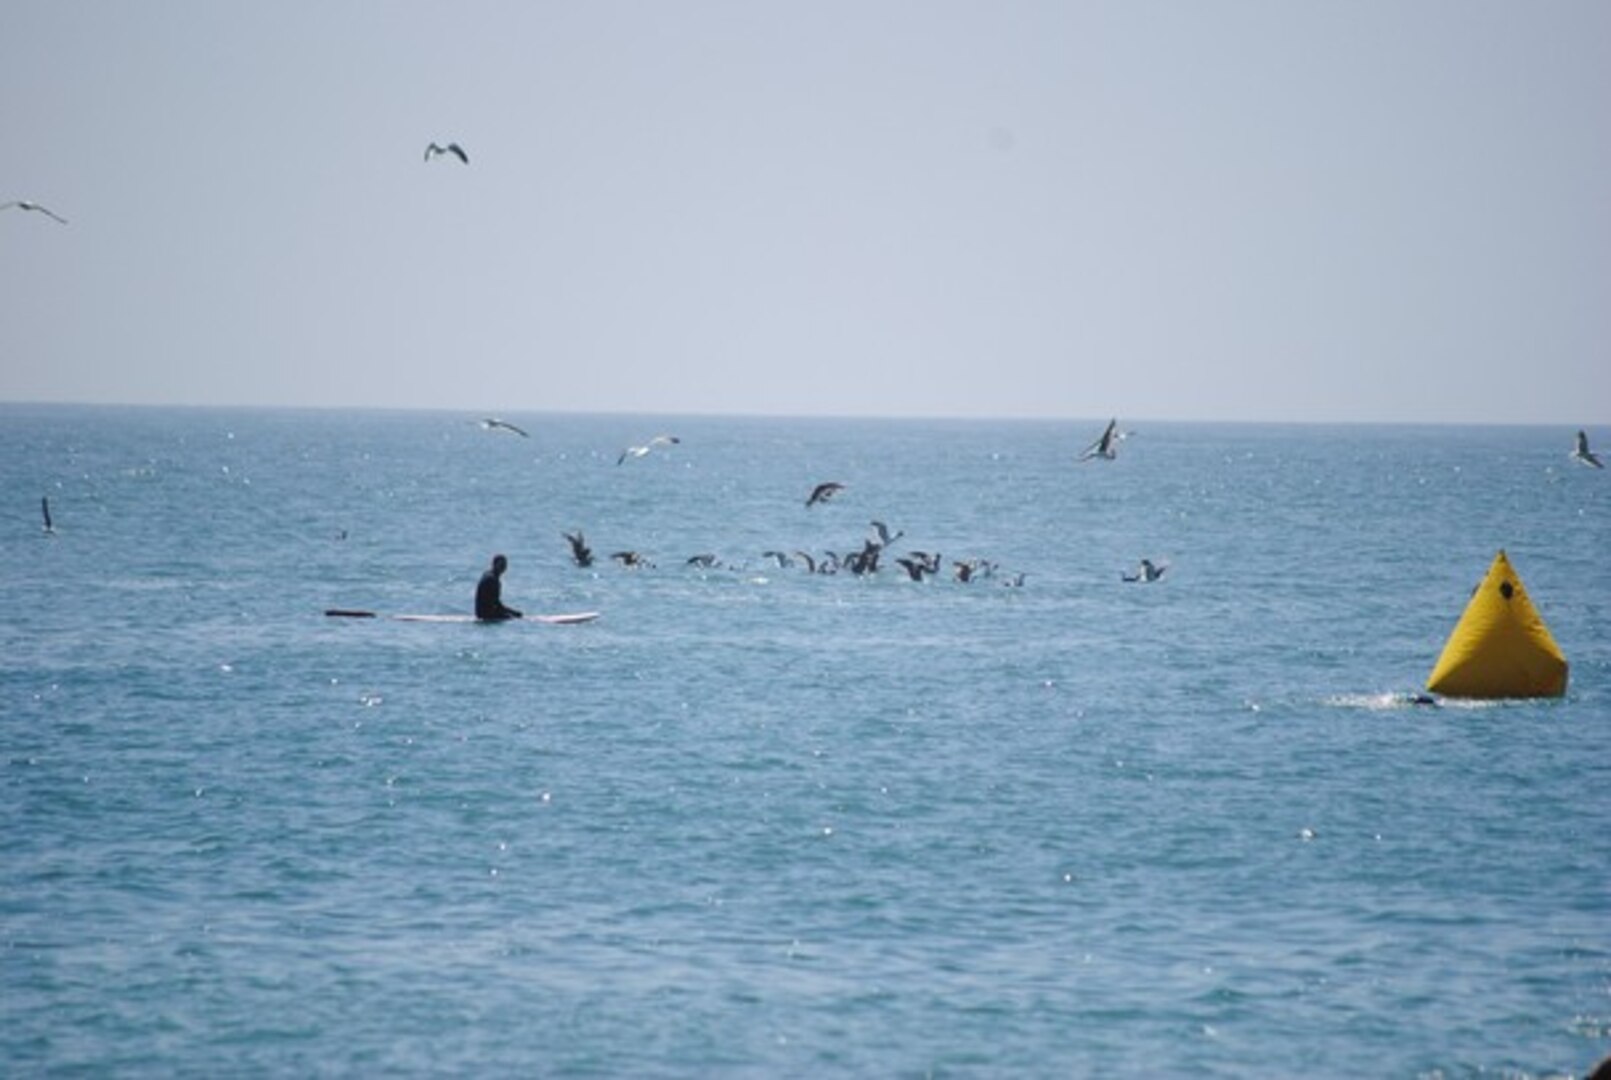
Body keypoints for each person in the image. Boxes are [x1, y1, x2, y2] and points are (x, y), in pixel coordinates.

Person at [475, 554, 523, 621]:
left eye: (505, 565)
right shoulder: (492, 579)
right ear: (494, 565)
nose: (503, 567)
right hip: (486, 614)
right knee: (515, 619)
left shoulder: (487, 575)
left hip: (481, 613)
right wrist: (513, 612)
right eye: (501, 565)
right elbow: (496, 604)